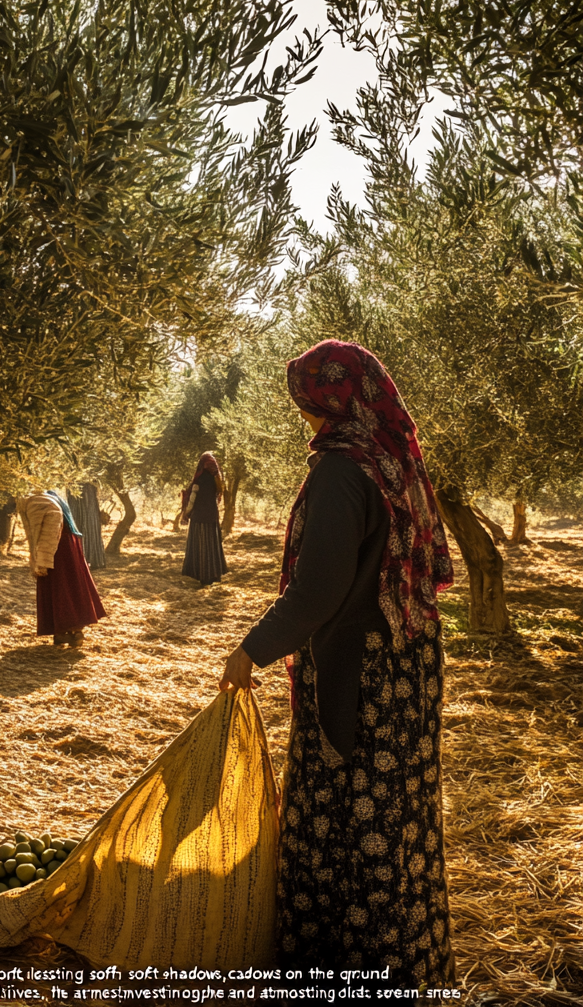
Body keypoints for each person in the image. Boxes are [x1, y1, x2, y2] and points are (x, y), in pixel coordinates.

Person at [218, 340, 456, 984]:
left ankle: (348, 969)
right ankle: (405, 959)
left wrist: (252, 651)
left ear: (328, 398)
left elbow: (319, 592)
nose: (305, 417)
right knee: (399, 811)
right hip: (411, 663)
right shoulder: (396, 458)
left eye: (306, 404)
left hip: (365, 671)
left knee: (350, 816)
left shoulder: (340, 472)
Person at [17, 490, 106, 648]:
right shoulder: (51, 497)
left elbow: (40, 532)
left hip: (57, 548)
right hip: (69, 546)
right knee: (72, 585)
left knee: (60, 586)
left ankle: (65, 631)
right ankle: (72, 632)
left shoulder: (35, 502)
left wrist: (41, 557)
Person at [181, 452, 228, 587]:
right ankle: (212, 575)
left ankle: (201, 576)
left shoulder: (199, 479)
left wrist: (186, 513)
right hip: (212, 517)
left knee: (200, 546)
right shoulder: (216, 480)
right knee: (211, 545)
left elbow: (192, 499)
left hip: (198, 518)